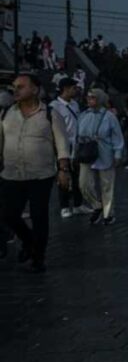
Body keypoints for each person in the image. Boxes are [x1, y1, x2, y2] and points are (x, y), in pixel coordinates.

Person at [0, 74, 72, 272]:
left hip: (40, 175)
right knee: (8, 214)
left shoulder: (49, 114)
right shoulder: (6, 113)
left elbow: (62, 144)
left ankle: (38, 257)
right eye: (14, 87)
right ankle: (28, 240)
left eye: (21, 87)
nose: (16, 90)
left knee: (39, 216)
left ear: (35, 89)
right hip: (11, 174)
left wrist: (63, 170)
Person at [77, 88, 124, 225]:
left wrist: (118, 153)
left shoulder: (109, 117)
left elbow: (117, 137)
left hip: (105, 153)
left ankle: (108, 214)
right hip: (87, 153)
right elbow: (77, 135)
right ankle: (97, 206)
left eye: (93, 97)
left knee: (107, 185)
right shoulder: (84, 115)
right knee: (84, 183)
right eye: (88, 97)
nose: (89, 99)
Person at [50, 77, 88, 218]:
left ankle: (78, 204)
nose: (76, 90)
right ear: (65, 89)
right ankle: (64, 206)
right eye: (73, 88)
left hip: (76, 145)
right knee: (63, 175)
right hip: (63, 145)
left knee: (78, 176)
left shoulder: (75, 104)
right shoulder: (54, 106)